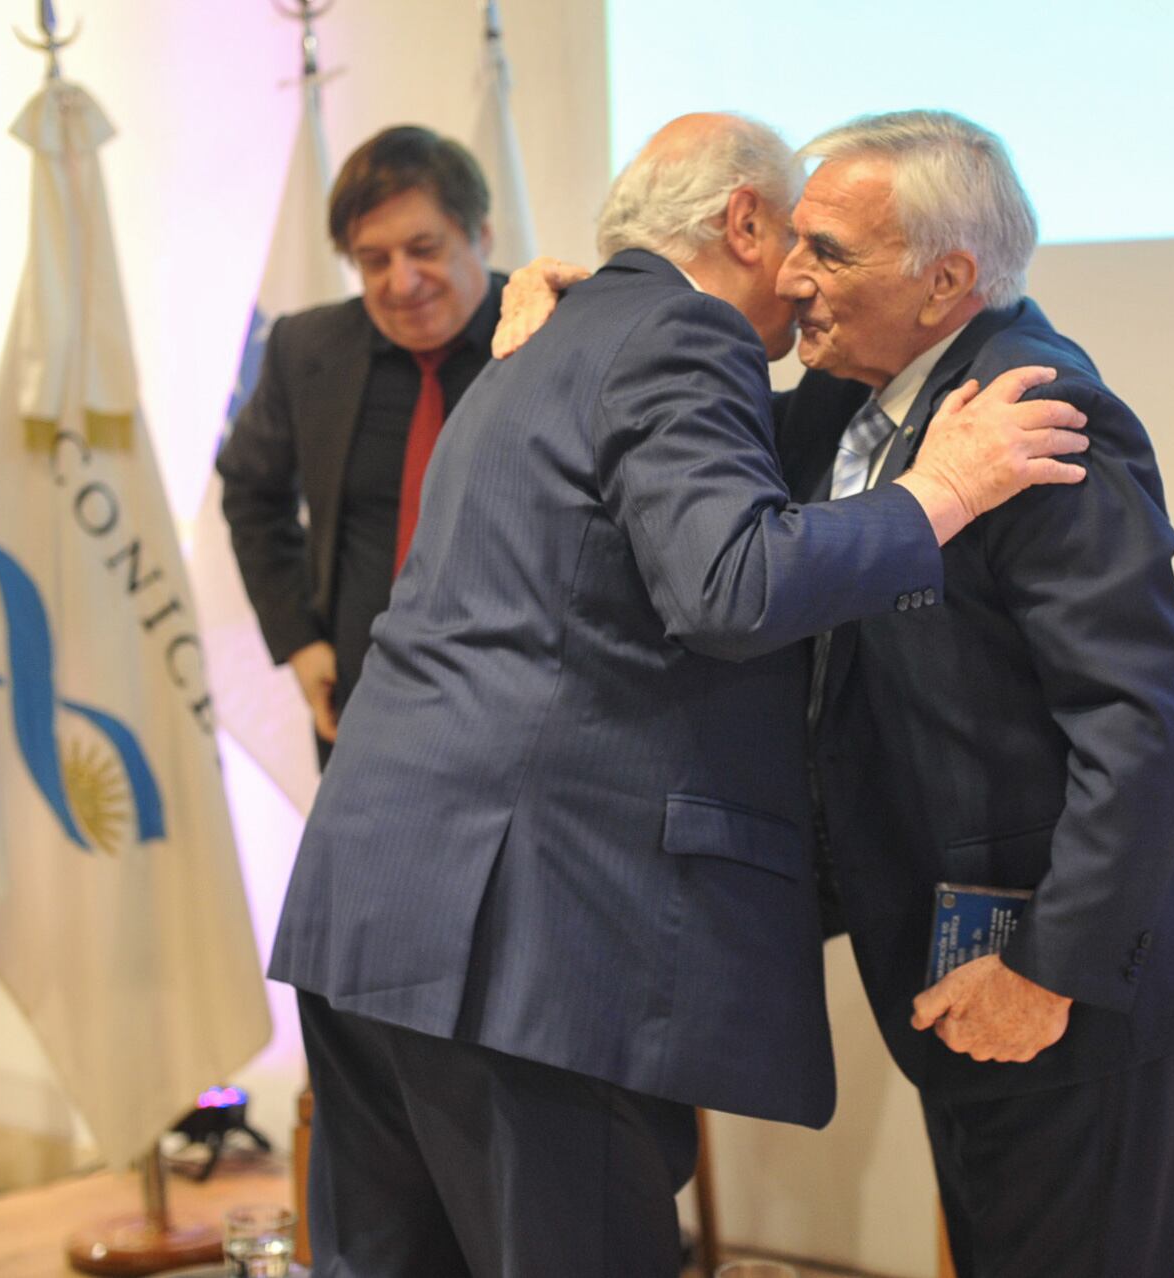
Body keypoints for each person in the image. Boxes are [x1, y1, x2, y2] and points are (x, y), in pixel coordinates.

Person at [269, 112, 1089, 1278]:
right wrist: (938, 493)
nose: (804, 278)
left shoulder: (536, 346)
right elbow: (733, 585)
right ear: (744, 222)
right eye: (798, 238)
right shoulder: (683, 336)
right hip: (526, 943)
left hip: (374, 907)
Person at [775, 111, 1174, 1278]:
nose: (792, 278)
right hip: (968, 976)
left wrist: (1050, 968)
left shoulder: (1038, 413)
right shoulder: (849, 407)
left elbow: (1140, 719)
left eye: (828, 252)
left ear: (946, 282)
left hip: (1072, 993)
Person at [217, 125, 503, 766]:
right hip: (362, 712)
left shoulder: (553, 336)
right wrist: (299, 639)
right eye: (374, 260)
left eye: (423, 249)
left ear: (479, 236)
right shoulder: (308, 350)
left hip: (518, 723)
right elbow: (250, 490)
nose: (402, 283)